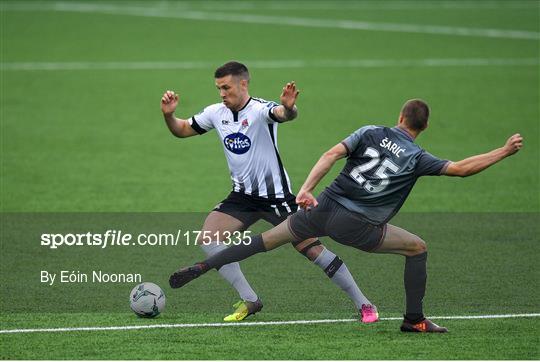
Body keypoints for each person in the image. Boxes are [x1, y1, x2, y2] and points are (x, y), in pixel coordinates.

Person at [169, 99, 524, 332]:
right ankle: (413, 319)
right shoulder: (418, 156)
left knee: (262, 242)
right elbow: (461, 169)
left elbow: (329, 154)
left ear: (399, 117)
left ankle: (203, 267)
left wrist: (306, 189)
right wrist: (504, 151)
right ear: (422, 127)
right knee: (416, 247)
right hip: (360, 226)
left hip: (320, 208)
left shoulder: (370, 131)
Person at [161, 61, 378, 323]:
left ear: (243, 84)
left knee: (312, 250)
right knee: (209, 238)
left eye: (226, 87)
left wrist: (289, 106)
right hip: (242, 197)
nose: (222, 93)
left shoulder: (260, 110)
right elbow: (182, 130)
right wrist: (169, 115)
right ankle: (250, 300)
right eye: (218, 88)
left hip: (278, 200)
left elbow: (284, 114)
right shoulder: (215, 113)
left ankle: (365, 304)